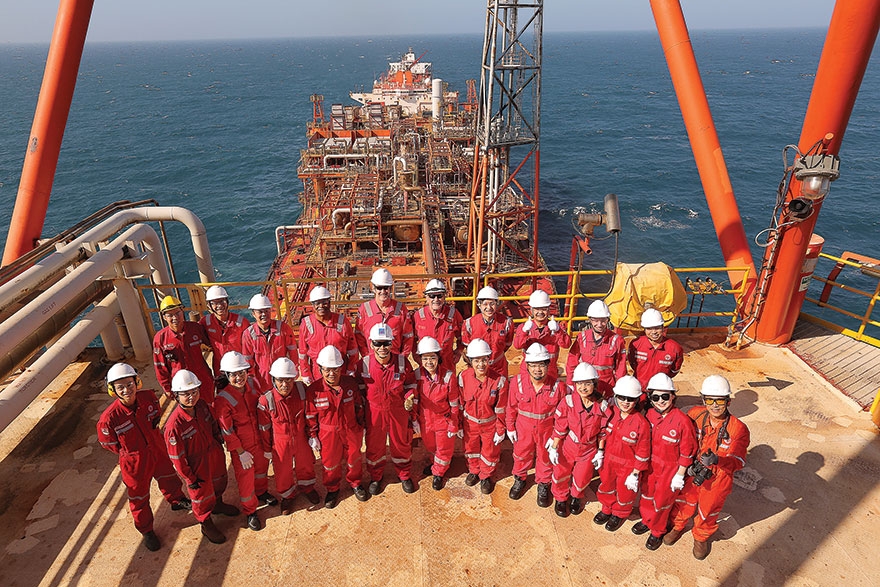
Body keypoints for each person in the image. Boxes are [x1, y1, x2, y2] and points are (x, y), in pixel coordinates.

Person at [97, 363, 191, 551]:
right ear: (112, 390)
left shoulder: (149, 398)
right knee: (138, 496)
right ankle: (146, 530)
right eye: (120, 387)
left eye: (129, 384)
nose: (127, 390)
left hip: (157, 448)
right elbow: (109, 444)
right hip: (134, 462)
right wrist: (131, 452)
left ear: (136, 382)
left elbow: (156, 416)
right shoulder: (108, 419)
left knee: (168, 476)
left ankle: (176, 499)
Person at [665, 375, 750, 560]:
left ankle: (701, 537)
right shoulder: (695, 414)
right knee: (684, 500)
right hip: (694, 470)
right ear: (703, 400)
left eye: (720, 400)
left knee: (708, 509)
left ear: (728, 401)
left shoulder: (738, 429)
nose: (714, 405)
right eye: (710, 400)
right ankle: (677, 525)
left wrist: (718, 460)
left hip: (719, 477)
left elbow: (739, 461)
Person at [163, 369, 239, 545]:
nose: (191, 397)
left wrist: (219, 440)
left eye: (194, 391)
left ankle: (218, 504)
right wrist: (189, 478)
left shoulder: (202, 406)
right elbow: (177, 457)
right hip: (196, 464)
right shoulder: (174, 426)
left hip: (213, 454)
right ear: (176, 396)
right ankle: (206, 523)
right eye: (186, 394)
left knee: (219, 481)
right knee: (201, 496)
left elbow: (212, 423)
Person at [631, 373, 697, 550]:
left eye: (665, 396)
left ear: (673, 396)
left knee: (662, 502)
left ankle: (657, 530)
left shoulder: (683, 422)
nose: (660, 401)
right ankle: (647, 520)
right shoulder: (650, 415)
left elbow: (687, 452)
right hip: (650, 466)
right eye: (656, 397)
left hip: (669, 471)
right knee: (646, 496)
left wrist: (680, 475)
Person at [305, 345, 370, 508]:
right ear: (320, 369)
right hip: (328, 433)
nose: (331, 373)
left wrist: (361, 425)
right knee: (330, 462)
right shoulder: (314, 390)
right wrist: (313, 436)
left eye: (335, 369)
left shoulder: (350, 384)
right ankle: (332, 488)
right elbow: (310, 415)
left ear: (341, 368)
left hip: (351, 429)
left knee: (354, 458)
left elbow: (359, 406)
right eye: (327, 370)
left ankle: (355, 483)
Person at [358, 322, 418, 495]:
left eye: (386, 343)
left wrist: (409, 397)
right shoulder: (364, 364)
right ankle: (376, 476)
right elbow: (359, 389)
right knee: (374, 446)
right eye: (378, 343)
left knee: (401, 444)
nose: (382, 348)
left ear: (392, 343)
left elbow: (410, 384)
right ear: (371, 344)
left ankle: (404, 474)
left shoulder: (402, 362)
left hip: (397, 410)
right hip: (374, 412)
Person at [212, 351, 268, 531]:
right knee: (246, 479)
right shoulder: (222, 400)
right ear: (227, 376)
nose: (239, 378)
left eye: (241, 373)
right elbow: (227, 430)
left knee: (261, 470)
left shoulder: (253, 383)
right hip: (242, 446)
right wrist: (240, 452)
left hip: (259, 439)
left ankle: (262, 492)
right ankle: (251, 511)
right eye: (234, 375)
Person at [506, 342, 567, 507]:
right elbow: (511, 407)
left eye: (541, 365)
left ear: (548, 365)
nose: (537, 369)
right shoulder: (517, 382)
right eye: (533, 365)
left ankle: (543, 484)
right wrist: (510, 427)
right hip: (523, 429)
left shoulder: (558, 386)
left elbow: (563, 416)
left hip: (547, 431)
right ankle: (520, 478)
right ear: (527, 366)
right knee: (521, 455)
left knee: (545, 457)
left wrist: (556, 436)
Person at [547, 362, 611, 518]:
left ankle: (576, 496)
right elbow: (560, 427)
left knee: (582, 477)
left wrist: (600, 452)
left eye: (587, 383)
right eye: (579, 383)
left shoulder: (602, 406)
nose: (583, 387)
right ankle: (561, 498)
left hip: (589, 450)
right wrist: (554, 447)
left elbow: (603, 432)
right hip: (569, 446)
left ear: (594, 384)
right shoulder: (568, 402)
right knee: (561, 473)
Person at [256, 358, 319, 515]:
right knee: (282, 471)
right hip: (280, 442)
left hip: (301, 437)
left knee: (306, 464)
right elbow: (264, 428)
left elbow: (309, 414)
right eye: (280, 380)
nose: (285, 384)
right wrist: (267, 449)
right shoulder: (266, 400)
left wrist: (312, 435)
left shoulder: (302, 390)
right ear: (273, 380)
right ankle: (287, 496)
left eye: (289, 380)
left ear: (294, 378)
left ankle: (308, 487)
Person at [594, 375, 650, 532]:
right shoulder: (611, 414)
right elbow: (602, 433)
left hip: (628, 466)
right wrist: (600, 452)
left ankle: (620, 512)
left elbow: (643, 451)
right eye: (622, 398)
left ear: (637, 400)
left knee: (625, 492)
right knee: (606, 485)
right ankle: (606, 508)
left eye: (630, 399)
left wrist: (635, 473)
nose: (625, 402)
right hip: (608, 461)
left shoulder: (641, 424)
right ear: (616, 396)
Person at [458, 339, 508, 494]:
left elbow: (501, 408)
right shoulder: (463, 377)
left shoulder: (499, 381)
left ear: (489, 359)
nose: (481, 364)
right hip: (469, 423)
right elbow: (460, 403)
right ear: (470, 361)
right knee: (470, 448)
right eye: (476, 361)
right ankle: (474, 470)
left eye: (484, 360)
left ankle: (486, 475)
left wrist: (500, 429)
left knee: (490, 451)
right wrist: (458, 424)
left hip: (489, 424)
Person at [413, 336, 461, 490]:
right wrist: (414, 419)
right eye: (425, 358)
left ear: (438, 358)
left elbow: (454, 403)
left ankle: (439, 473)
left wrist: (454, 424)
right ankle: (436, 463)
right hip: (425, 420)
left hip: (443, 420)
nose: (429, 362)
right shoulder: (417, 375)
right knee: (430, 446)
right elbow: (414, 398)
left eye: (432, 358)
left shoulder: (448, 376)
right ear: (420, 359)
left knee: (443, 448)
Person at [153, 295, 214, 403]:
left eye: (177, 313)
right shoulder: (160, 339)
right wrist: (167, 388)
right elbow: (160, 367)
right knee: (189, 408)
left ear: (182, 311)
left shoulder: (195, 328)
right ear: (164, 317)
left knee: (209, 405)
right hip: (181, 384)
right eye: (170, 315)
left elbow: (213, 344)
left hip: (203, 378)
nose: (175, 317)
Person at [297, 286, 358, 385]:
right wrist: (305, 373)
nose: (321, 306)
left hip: (340, 371)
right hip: (318, 373)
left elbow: (353, 350)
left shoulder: (342, 322)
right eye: (317, 303)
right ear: (312, 305)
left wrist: (351, 369)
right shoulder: (306, 324)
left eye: (324, 302)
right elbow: (302, 352)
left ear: (329, 302)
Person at [565, 299, 627, 398]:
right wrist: (570, 383)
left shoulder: (617, 341)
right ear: (590, 320)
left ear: (608, 320)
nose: (599, 324)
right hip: (584, 385)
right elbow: (572, 362)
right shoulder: (582, 338)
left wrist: (619, 389)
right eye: (596, 320)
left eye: (603, 321)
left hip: (606, 386)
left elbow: (621, 368)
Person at [241, 293, 297, 393]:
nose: (264, 314)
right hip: (262, 379)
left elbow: (293, 352)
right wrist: (252, 380)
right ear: (253, 314)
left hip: (282, 376)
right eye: (260, 312)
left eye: (266, 311)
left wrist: (294, 370)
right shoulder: (248, 334)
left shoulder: (283, 328)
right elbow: (248, 360)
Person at [354, 268, 414, 358]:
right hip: (372, 360)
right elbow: (359, 337)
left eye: (386, 288)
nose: (383, 291)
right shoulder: (364, 309)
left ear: (390, 288)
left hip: (395, 360)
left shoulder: (400, 309)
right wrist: (367, 358)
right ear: (373, 288)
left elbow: (408, 336)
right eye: (379, 288)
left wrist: (402, 359)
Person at [512, 290, 571, 381]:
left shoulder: (555, 328)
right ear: (531, 310)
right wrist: (524, 332)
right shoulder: (524, 327)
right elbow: (517, 346)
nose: (540, 312)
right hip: (528, 372)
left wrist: (558, 330)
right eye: (537, 309)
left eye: (543, 309)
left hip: (550, 372)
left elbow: (566, 344)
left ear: (548, 310)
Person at [627, 308, 684, 395]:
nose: (654, 332)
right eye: (649, 329)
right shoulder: (635, 344)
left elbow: (674, 370)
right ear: (644, 329)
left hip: (660, 391)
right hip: (639, 389)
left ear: (663, 327)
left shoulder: (675, 348)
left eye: (657, 328)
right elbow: (632, 363)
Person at [461, 286, 515, 378]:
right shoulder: (469, 323)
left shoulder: (506, 323)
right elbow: (467, 346)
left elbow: (507, 344)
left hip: (499, 367)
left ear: (497, 303)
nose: (489, 307)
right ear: (479, 305)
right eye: (485, 304)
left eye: (492, 304)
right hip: (478, 368)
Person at [411, 279, 464, 368]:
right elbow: (412, 339)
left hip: (447, 364)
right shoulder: (418, 316)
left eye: (439, 296)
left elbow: (463, 334)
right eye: (432, 296)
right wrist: (415, 355)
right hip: (426, 366)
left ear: (444, 297)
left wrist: (459, 351)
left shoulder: (453, 314)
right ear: (426, 297)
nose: (436, 299)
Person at [200, 285, 250, 375]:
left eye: (222, 301)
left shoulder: (242, 322)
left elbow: (251, 347)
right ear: (209, 305)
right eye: (214, 303)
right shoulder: (205, 322)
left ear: (227, 301)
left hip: (238, 368)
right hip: (219, 369)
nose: (219, 305)